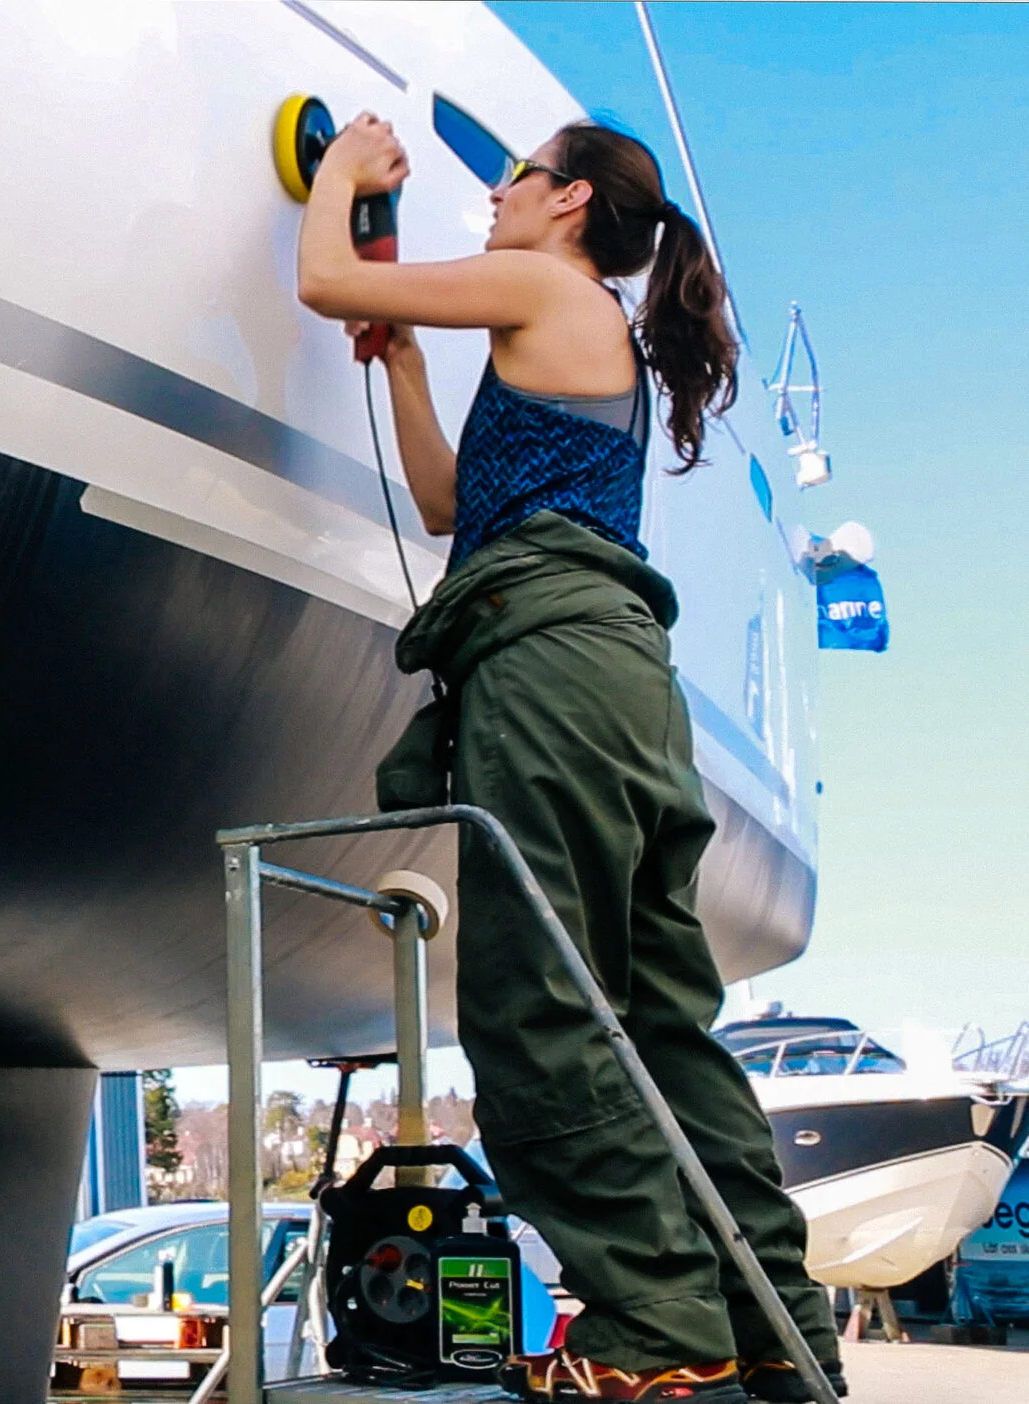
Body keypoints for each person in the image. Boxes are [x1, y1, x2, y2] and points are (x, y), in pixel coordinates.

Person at [295, 117, 843, 1404]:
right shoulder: (573, 329)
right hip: (620, 685)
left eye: (517, 174)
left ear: (569, 201)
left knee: (540, 995)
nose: (495, 190)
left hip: (548, 667)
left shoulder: (548, 284)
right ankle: (769, 1319)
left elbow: (324, 276)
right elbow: (448, 506)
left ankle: (654, 1330)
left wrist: (341, 174)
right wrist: (409, 377)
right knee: (655, 1014)